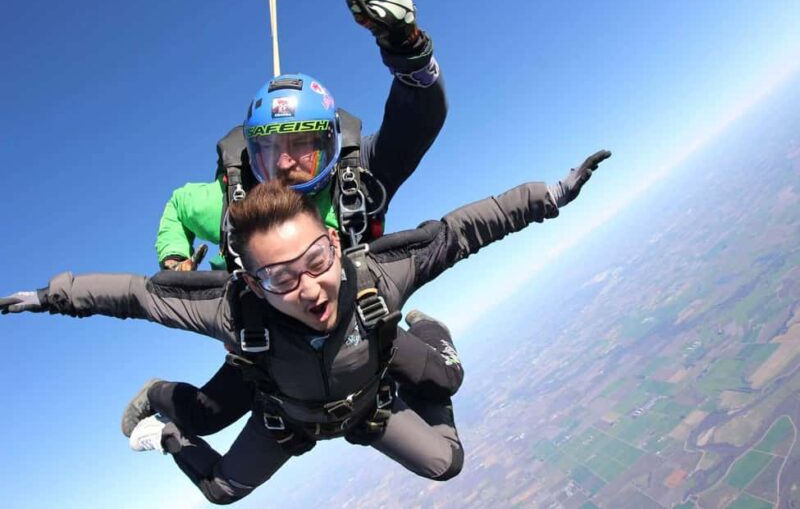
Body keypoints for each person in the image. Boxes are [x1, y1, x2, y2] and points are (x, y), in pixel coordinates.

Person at [0, 150, 611, 504]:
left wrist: (548, 195)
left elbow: (460, 231)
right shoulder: (232, 309)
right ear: (253, 283)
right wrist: (49, 297)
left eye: (318, 262)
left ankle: (413, 337)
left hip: (371, 400)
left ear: (333, 245)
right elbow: (137, 295)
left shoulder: (375, 275)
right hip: (288, 420)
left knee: (445, 444)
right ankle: (163, 418)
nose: (310, 287)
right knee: (221, 490)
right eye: (281, 279)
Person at [143, 0, 459, 441]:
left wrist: (404, 42)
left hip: (357, 317)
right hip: (273, 335)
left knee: (439, 381)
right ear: (252, 155)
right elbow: (178, 206)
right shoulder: (236, 207)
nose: (287, 164)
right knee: (207, 416)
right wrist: (173, 255)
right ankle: (155, 394)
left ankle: (425, 329)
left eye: (305, 144)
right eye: (272, 150)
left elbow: (419, 118)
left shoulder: (358, 178)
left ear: (330, 142)